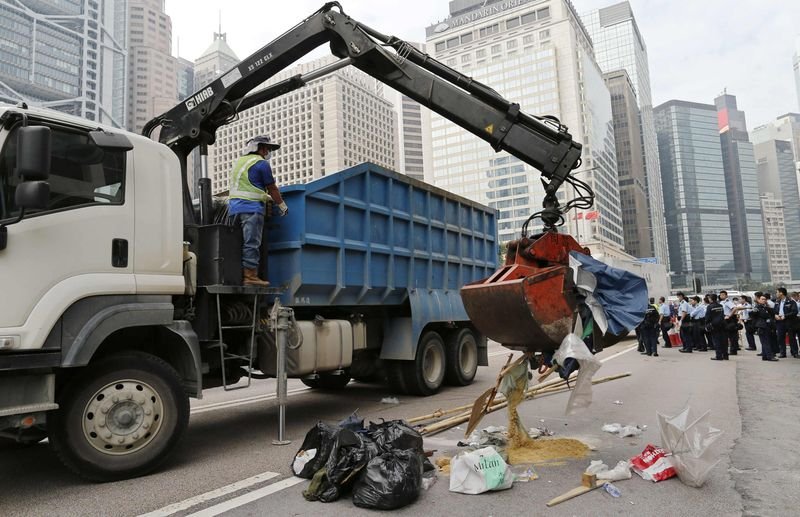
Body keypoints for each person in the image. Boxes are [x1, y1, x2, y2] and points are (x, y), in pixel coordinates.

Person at [227, 135, 289, 287]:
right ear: (259, 148)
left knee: (237, 243)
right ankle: (250, 276)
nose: (268, 151)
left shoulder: (239, 162)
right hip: (251, 209)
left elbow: (248, 185)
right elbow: (272, 188)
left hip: (234, 209)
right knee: (252, 243)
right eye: (266, 148)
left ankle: (236, 274)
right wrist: (281, 205)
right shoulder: (261, 164)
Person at [751, 294, 778, 361]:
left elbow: (773, 312)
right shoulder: (757, 308)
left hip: (767, 326)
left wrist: (768, 308)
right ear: (759, 300)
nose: (764, 300)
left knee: (765, 341)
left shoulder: (765, 307)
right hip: (762, 326)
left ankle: (765, 356)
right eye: (762, 299)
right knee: (766, 342)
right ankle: (769, 356)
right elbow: (762, 315)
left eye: (765, 299)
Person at [774, 287, 799, 358]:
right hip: (779, 322)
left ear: (781, 293)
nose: (776, 294)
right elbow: (774, 311)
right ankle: (783, 353)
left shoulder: (791, 301)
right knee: (780, 338)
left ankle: (794, 352)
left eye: (777, 292)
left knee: (792, 338)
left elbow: (794, 311)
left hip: (789, 322)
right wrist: (775, 315)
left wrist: (785, 316)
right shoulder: (777, 302)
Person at [704, 293, 728, 360]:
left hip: (714, 325)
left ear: (711, 299)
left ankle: (719, 356)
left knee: (716, 341)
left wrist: (707, 325)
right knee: (723, 341)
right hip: (722, 324)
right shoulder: (720, 305)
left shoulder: (710, 306)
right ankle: (725, 355)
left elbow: (707, 317)